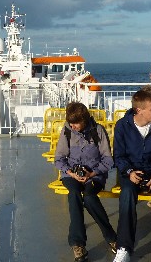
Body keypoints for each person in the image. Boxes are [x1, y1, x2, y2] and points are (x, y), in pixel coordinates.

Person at [112, 86, 151, 261]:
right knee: (127, 194)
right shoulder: (122, 126)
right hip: (131, 172)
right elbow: (118, 156)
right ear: (139, 110)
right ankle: (124, 248)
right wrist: (129, 171)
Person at [54, 102, 118, 262]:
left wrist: (92, 173)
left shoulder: (98, 131)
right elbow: (59, 158)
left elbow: (108, 160)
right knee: (74, 194)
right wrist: (71, 173)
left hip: (94, 175)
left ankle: (111, 236)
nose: (73, 126)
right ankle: (78, 244)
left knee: (89, 197)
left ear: (84, 120)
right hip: (71, 175)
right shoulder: (67, 130)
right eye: (71, 123)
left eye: (76, 123)